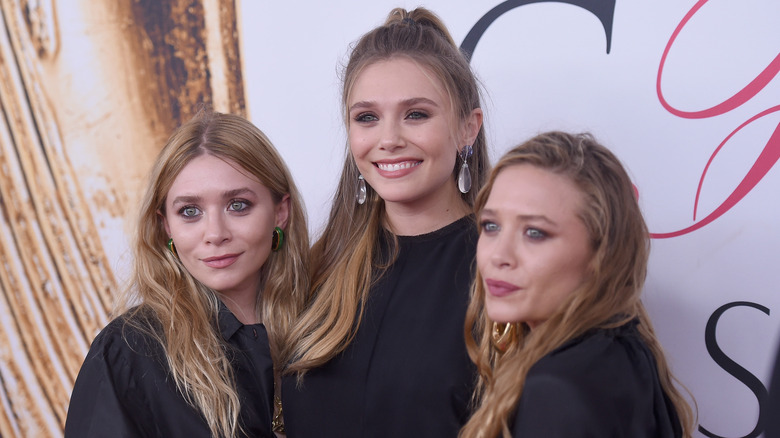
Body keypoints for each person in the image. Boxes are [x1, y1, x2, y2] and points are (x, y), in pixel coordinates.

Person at [280, 7, 488, 437]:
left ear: (468, 128)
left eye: (416, 114)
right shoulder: (316, 270)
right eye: (367, 118)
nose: (389, 140)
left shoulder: (503, 270)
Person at [64, 110, 309, 438]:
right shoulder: (128, 353)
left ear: (280, 212)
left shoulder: (328, 327)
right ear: (166, 225)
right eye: (189, 212)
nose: (215, 233)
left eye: (238, 205)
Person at [459, 131, 695, 438]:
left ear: (601, 253)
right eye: (491, 226)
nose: (499, 256)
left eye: (535, 233)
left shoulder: (558, 390)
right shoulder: (626, 350)